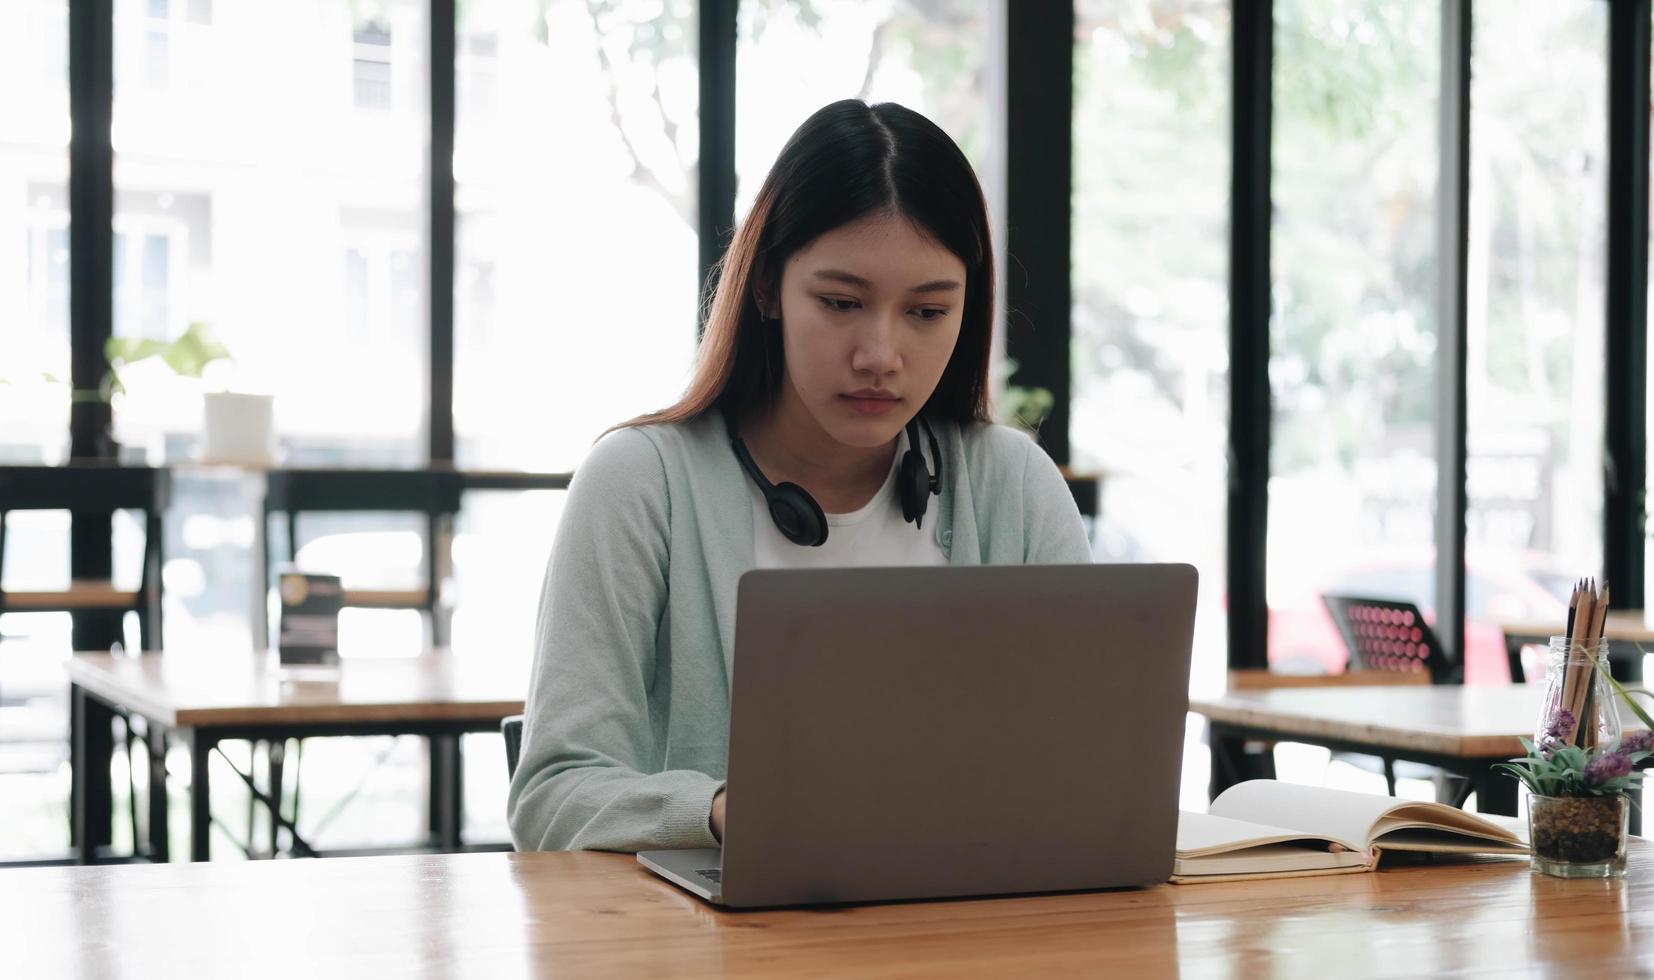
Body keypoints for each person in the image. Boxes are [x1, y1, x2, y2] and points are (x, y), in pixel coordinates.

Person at [508, 99, 1091, 853]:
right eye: (841, 302)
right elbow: (553, 798)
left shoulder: (1013, 487)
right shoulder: (641, 484)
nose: (881, 354)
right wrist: (727, 812)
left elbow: (1087, 773)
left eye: (926, 312)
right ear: (766, 289)